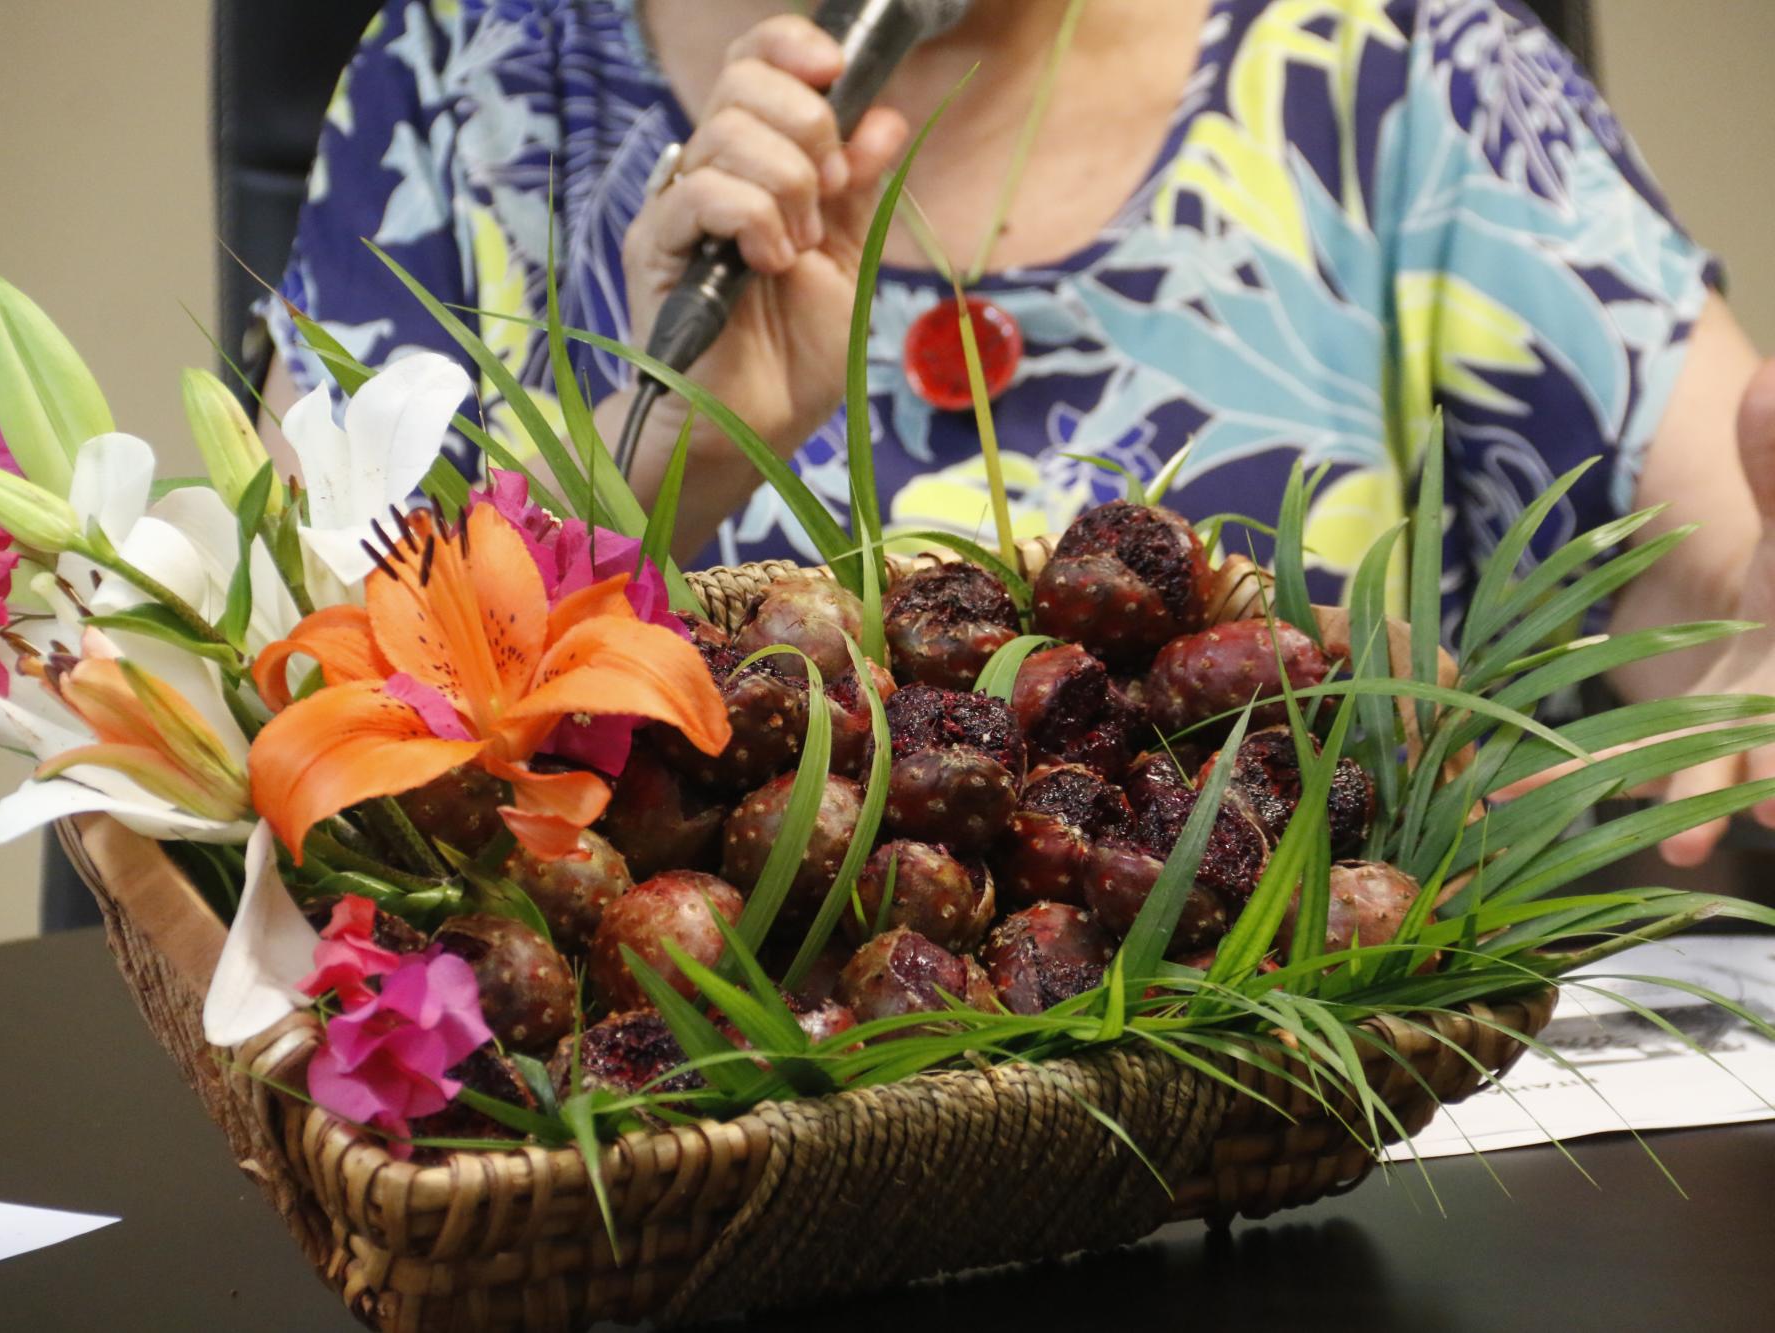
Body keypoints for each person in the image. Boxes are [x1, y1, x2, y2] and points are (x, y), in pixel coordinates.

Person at [256, 0, 1775, 867]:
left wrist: (1752, 651)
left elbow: (1720, 600)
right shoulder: (470, 75)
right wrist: (661, 466)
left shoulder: (1401, 69)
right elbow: (283, 691)